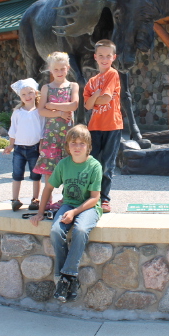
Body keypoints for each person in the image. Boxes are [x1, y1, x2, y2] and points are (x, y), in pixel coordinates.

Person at [30, 124, 102, 303]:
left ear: (88, 146)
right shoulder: (63, 164)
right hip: (68, 203)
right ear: (67, 146)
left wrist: (74, 212)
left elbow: (94, 198)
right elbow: (48, 188)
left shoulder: (94, 166)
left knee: (81, 230)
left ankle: (65, 277)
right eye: (73, 143)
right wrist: (40, 212)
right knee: (56, 231)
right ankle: (68, 279)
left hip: (89, 207)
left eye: (82, 143)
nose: (77, 147)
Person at [83, 39, 123, 213]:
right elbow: (87, 105)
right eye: (101, 56)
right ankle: (92, 196)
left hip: (112, 125)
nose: (104, 59)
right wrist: (94, 97)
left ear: (114, 57)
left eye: (108, 56)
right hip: (94, 126)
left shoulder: (112, 74)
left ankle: (105, 198)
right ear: (95, 57)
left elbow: (106, 99)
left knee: (107, 164)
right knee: (92, 162)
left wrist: (94, 98)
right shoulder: (92, 81)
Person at [33, 52, 78, 178]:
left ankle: (67, 191)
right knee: (49, 168)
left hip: (68, 133)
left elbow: (74, 105)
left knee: (69, 167)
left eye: (62, 69)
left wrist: (52, 105)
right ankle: (49, 191)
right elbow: (41, 110)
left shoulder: (73, 86)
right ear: (50, 70)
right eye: (56, 69)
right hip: (51, 134)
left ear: (68, 68)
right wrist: (60, 113)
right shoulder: (46, 88)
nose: (59, 72)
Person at [3, 78, 44, 212]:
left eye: (30, 93)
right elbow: (13, 130)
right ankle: (15, 199)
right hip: (19, 149)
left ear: (36, 93)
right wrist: (11, 145)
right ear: (20, 96)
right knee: (17, 174)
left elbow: (42, 129)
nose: (27, 96)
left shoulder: (39, 112)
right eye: (24, 94)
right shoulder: (17, 112)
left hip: (34, 148)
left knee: (36, 175)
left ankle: (35, 199)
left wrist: (42, 145)